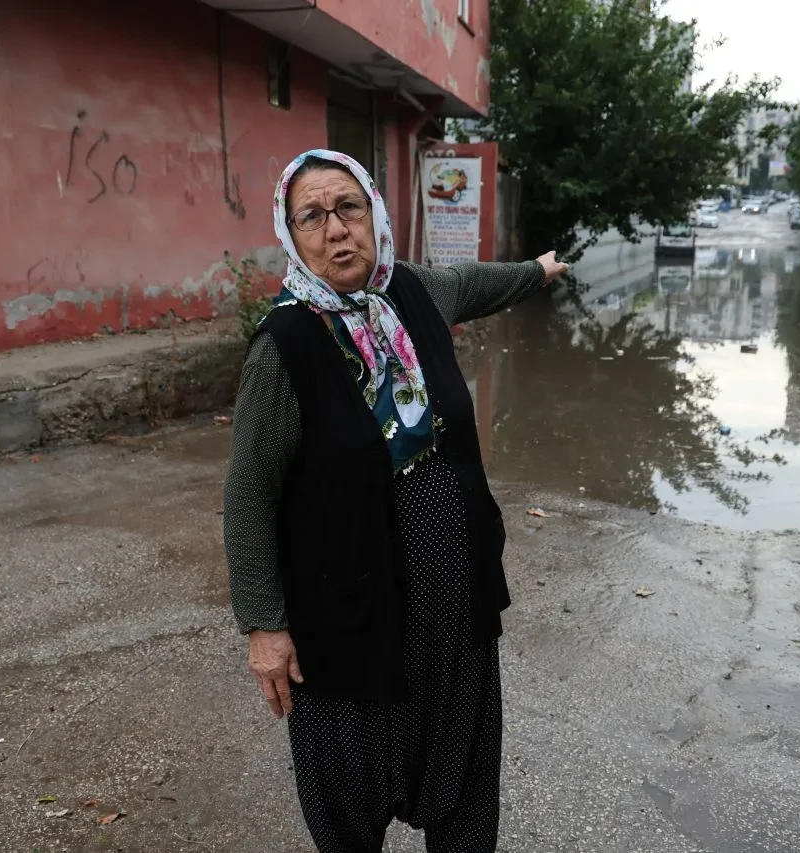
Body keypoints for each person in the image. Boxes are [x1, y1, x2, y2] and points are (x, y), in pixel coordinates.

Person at [224, 148, 566, 852]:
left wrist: (536, 272)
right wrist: (264, 624)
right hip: (344, 629)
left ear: (375, 213)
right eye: (312, 216)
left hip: (452, 619)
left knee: (466, 805)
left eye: (348, 207)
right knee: (348, 810)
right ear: (292, 235)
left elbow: (473, 283)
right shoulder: (284, 344)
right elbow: (249, 492)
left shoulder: (410, 292)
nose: (336, 230)